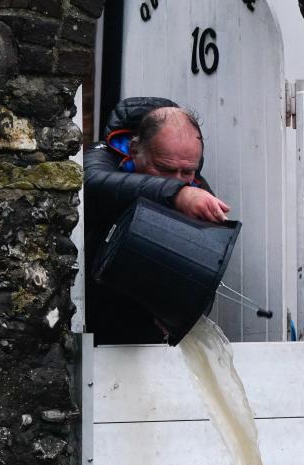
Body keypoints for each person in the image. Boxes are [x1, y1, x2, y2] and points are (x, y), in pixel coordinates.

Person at [83, 97, 231, 343]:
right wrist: (176, 195)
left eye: (187, 171)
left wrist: (182, 313)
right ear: (135, 150)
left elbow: (204, 270)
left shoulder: (196, 186)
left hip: (148, 332)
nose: (178, 179)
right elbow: (91, 183)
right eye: (164, 169)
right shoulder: (103, 157)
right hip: (93, 316)